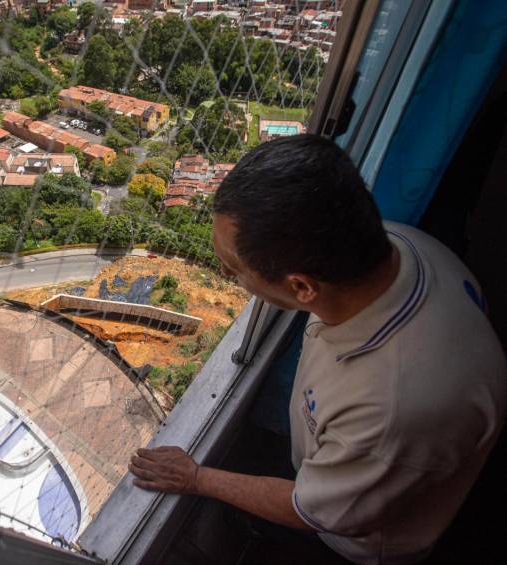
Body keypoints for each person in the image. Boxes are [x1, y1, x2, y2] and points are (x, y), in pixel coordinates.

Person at [129, 135, 507, 564]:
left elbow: (312, 512)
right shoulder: (405, 247)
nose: (224, 274)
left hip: (358, 540)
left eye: (233, 269)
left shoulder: (392, 408)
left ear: (302, 287)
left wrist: (194, 477)